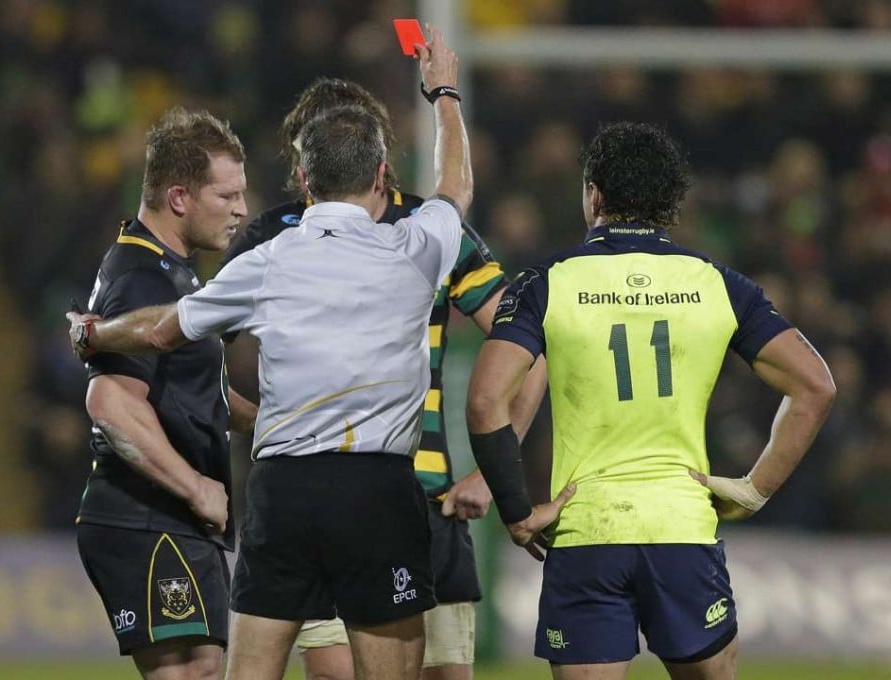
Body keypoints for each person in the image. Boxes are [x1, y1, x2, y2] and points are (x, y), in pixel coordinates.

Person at [67, 28, 491, 680]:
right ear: (382, 173)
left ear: (303, 179)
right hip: (378, 486)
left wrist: (96, 334)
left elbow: (161, 329)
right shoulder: (420, 242)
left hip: (283, 490)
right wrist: (444, 93)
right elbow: (456, 185)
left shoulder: (268, 259)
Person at [465, 122, 836, 680]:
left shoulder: (546, 283)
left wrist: (516, 512)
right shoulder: (718, 283)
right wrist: (754, 489)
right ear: (672, 204)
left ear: (593, 193)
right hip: (681, 525)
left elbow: (486, 401)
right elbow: (816, 386)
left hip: (586, 528)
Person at [223, 77, 549, 680]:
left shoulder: (430, 231)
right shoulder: (277, 234)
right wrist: (245, 416)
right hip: (320, 489)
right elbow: (203, 350)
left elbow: (526, 346)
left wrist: (490, 469)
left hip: (427, 499)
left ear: (373, 159)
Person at [72, 107, 257, 680]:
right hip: (149, 515)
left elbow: (191, 394)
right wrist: (196, 486)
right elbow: (110, 403)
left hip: (164, 519)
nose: (241, 210)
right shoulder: (142, 279)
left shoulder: (170, 270)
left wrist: (275, 421)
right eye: (226, 196)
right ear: (179, 198)